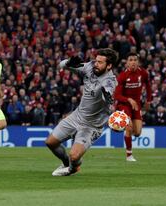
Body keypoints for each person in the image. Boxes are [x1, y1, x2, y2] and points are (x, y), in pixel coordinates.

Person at [45, 48, 118, 176]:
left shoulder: (110, 81)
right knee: (50, 142)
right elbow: (61, 66)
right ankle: (66, 163)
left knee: (74, 156)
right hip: (76, 117)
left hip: (91, 126)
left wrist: (108, 96)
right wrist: (68, 62)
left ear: (109, 65)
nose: (96, 64)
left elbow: (109, 95)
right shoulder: (89, 67)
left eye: (100, 62)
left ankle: (73, 168)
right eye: (96, 60)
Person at [114, 52, 152, 161]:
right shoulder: (122, 76)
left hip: (137, 105)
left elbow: (148, 86)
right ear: (127, 63)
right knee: (129, 126)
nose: (133, 62)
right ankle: (129, 155)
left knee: (138, 133)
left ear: (138, 62)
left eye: (135, 60)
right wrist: (129, 99)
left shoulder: (143, 73)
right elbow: (117, 95)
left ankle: (122, 128)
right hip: (124, 104)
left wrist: (148, 101)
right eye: (130, 60)